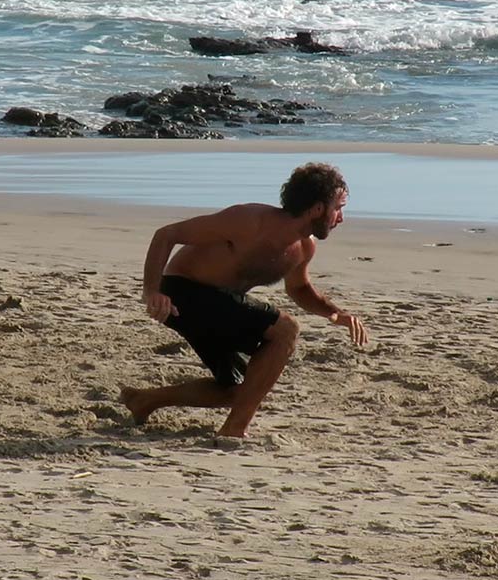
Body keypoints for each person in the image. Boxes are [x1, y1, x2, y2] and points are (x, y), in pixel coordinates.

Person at [120, 162, 368, 440]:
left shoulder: (304, 247)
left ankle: (145, 400)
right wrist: (152, 291)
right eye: (339, 208)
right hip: (183, 293)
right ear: (318, 209)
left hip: (220, 304)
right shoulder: (248, 222)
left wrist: (335, 313)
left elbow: (299, 288)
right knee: (286, 330)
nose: (341, 218)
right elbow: (166, 235)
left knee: (242, 389)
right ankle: (235, 428)